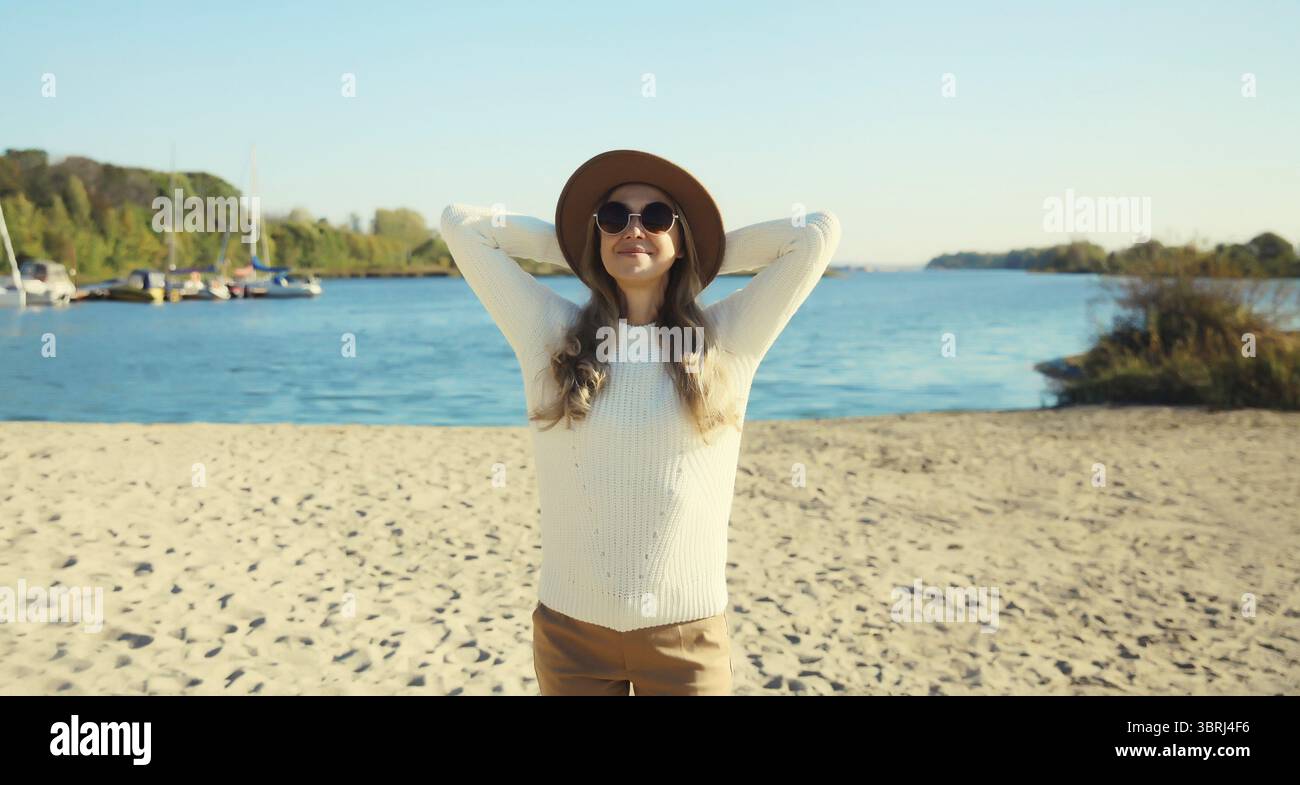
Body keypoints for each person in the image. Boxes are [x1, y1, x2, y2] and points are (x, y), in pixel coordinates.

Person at [439, 149, 841, 695]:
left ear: (682, 238)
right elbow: (462, 225)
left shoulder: (727, 341)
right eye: (613, 217)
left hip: (687, 638)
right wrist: (591, 245)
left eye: (655, 216)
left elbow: (815, 234)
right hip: (570, 636)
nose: (633, 229)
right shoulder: (548, 334)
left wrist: (690, 246)